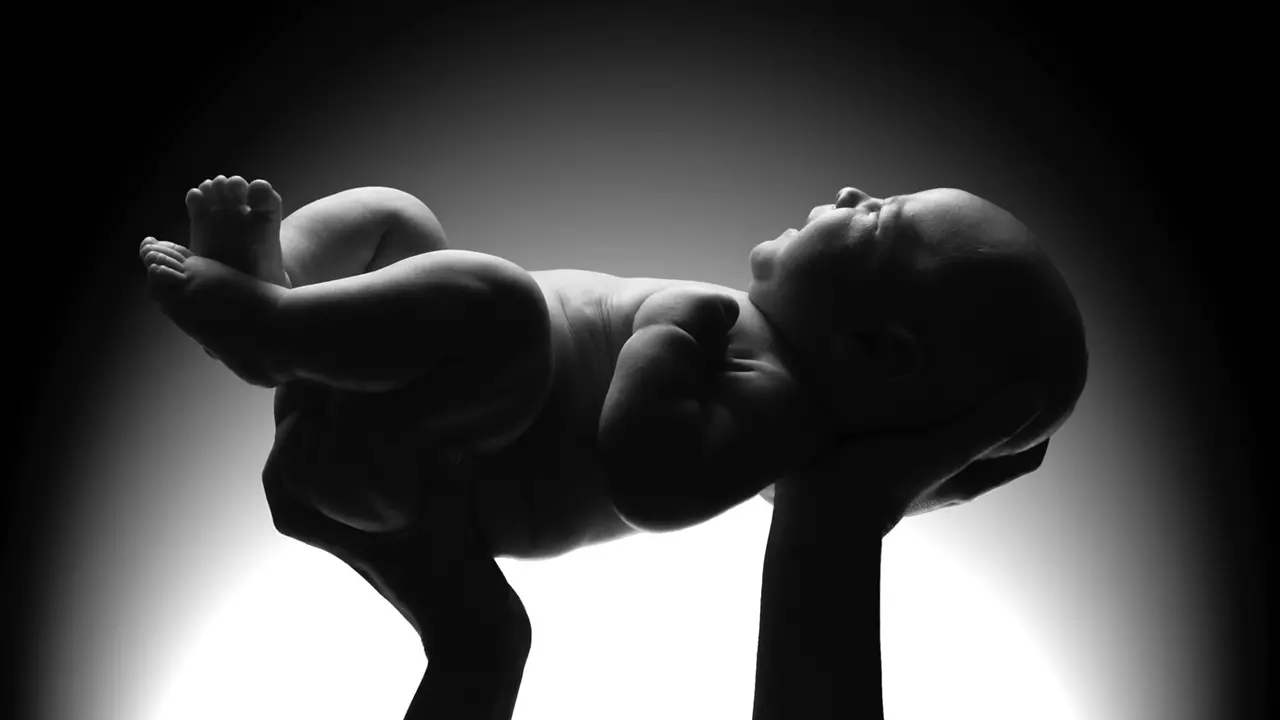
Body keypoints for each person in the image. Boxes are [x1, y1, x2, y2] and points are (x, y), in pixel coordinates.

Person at [138, 175, 1087, 717]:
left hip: (439, 459)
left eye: (877, 218)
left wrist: (664, 340)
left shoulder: (773, 408)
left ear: (880, 351)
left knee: (501, 304)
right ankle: (285, 288)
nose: (848, 190)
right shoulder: (755, 344)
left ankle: (269, 327)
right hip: (404, 424)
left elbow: (652, 483)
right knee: (401, 221)